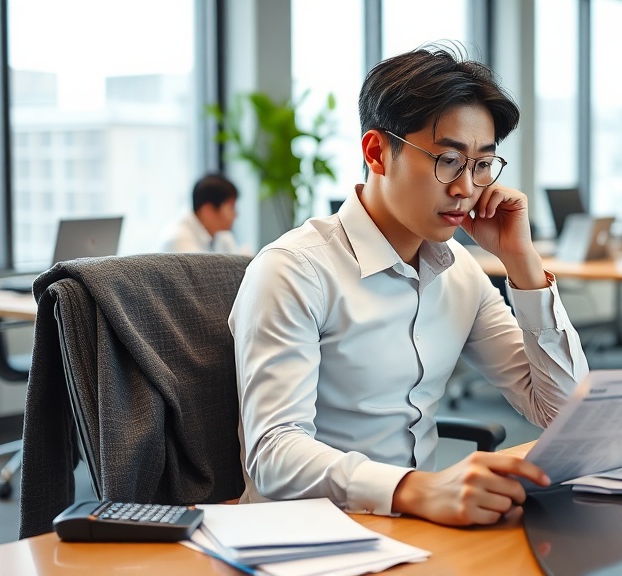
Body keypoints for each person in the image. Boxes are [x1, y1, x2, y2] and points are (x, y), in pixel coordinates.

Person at [228, 43, 589, 527]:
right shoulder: (294, 271)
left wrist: (521, 263)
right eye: (447, 160)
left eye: (482, 164)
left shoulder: (461, 272)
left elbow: (562, 412)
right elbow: (273, 453)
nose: (466, 188)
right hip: (304, 538)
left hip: (418, 530)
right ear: (377, 153)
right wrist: (414, 488)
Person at [160, 173, 249, 254]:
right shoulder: (177, 239)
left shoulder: (222, 236)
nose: (235, 215)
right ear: (208, 210)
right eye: (231, 208)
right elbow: (207, 270)